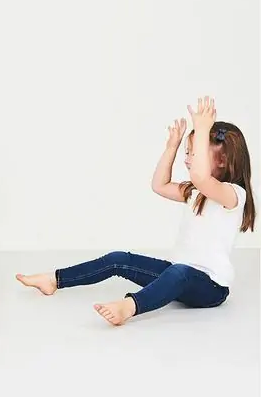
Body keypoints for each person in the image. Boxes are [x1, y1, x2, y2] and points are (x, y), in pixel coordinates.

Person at [16, 96, 256, 326]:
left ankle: (129, 307)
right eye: (187, 153)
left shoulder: (233, 194)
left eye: (193, 153)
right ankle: (54, 279)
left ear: (222, 160)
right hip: (177, 275)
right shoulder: (195, 192)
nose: (187, 159)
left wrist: (202, 130)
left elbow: (201, 176)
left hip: (210, 288)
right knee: (119, 259)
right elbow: (159, 185)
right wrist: (171, 147)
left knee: (179, 272)